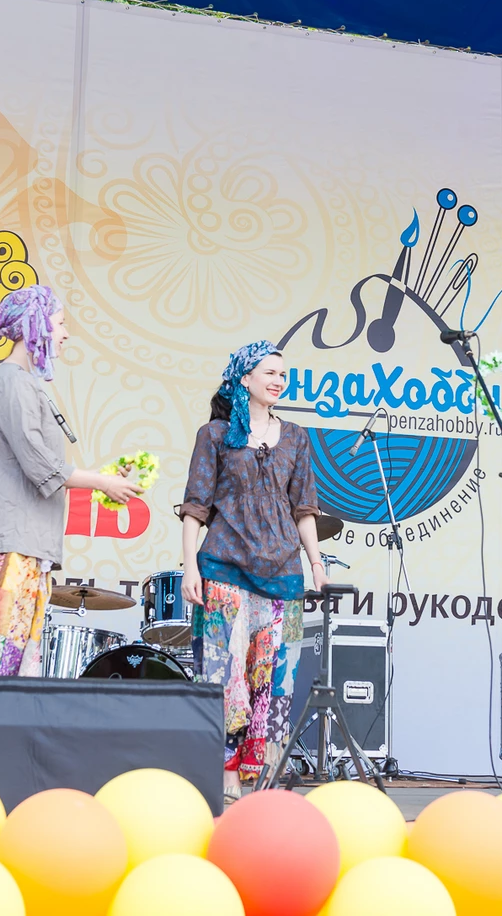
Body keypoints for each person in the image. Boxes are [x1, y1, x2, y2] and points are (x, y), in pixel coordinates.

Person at [0, 284, 143, 762]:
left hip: (27, 546)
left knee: (15, 657)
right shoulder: (12, 382)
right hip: (5, 547)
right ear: (35, 325)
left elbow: (46, 465)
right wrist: (102, 481)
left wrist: (105, 478)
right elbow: (40, 464)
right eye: (61, 323)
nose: (66, 334)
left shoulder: (29, 384)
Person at [180, 340, 329, 799]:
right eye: (269, 372)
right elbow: (195, 506)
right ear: (245, 379)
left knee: (276, 681)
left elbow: (304, 507)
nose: (279, 381)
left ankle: (261, 779)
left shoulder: (296, 437)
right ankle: (226, 779)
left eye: (283, 374)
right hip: (223, 567)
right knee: (224, 675)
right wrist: (189, 567)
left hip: (283, 573)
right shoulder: (215, 434)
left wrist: (316, 564)